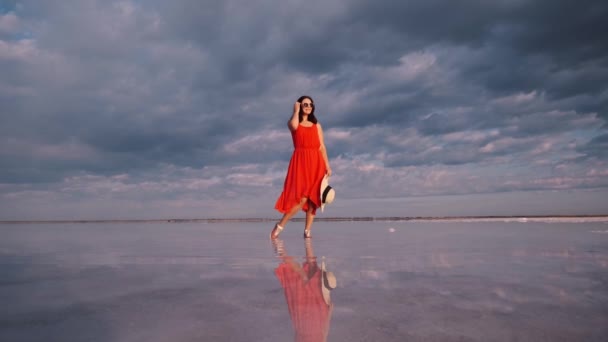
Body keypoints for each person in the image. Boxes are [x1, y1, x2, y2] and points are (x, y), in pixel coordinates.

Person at [271, 96, 332, 239]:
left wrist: (327, 165)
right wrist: (296, 110)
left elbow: (322, 147)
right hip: (301, 162)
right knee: (301, 198)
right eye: (305, 104)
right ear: (299, 105)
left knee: (313, 200)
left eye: (311, 104)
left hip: (317, 163)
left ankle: (307, 231)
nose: (308, 106)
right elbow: (293, 125)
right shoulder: (295, 123)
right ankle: (280, 225)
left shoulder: (317, 125)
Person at [272, 238, 336, 342]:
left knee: (307, 270)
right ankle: (282, 246)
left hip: (314, 315)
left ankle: (283, 246)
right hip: (312, 317)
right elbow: (325, 333)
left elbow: (325, 332)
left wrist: (329, 312)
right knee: (306, 270)